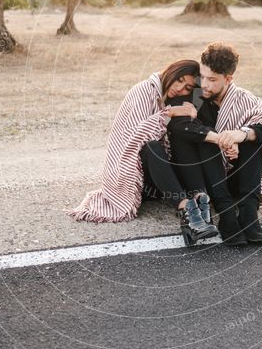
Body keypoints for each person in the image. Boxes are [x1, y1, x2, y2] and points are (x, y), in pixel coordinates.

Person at [66, 60, 219, 243]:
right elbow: (134, 137)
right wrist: (169, 113)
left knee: (182, 135)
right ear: (171, 71)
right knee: (152, 146)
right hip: (134, 178)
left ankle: (200, 203)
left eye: (187, 87)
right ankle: (186, 212)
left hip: (161, 180)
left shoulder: (170, 98)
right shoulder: (143, 91)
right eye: (178, 80)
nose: (179, 88)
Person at [167, 42, 262, 246]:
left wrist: (240, 135)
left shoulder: (243, 99)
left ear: (228, 79)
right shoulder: (197, 95)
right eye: (202, 77)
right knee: (200, 134)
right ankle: (227, 214)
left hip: (236, 176)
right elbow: (177, 125)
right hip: (204, 179)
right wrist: (219, 138)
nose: (205, 84)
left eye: (212, 79)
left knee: (252, 137)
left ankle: (249, 215)